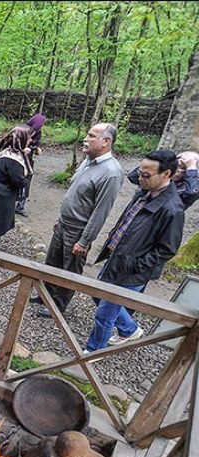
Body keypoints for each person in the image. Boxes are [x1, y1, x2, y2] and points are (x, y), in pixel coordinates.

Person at [85, 151, 184, 351]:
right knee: (98, 295)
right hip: (116, 259)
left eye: (146, 175)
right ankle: (129, 329)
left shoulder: (172, 210)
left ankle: (92, 353)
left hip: (131, 271)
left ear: (166, 174)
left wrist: (135, 265)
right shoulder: (144, 190)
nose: (140, 178)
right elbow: (134, 177)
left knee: (104, 314)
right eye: (140, 172)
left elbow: (167, 249)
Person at [31, 123, 124, 318]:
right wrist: (60, 218)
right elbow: (74, 193)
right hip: (64, 224)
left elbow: (101, 212)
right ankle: (45, 294)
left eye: (91, 135)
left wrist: (85, 240)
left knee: (70, 269)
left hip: (79, 230)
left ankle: (58, 306)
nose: (86, 138)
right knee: (52, 261)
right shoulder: (88, 161)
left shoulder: (111, 173)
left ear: (105, 142)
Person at [127, 150, 199, 210]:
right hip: (135, 211)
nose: (178, 170)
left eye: (184, 169)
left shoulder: (186, 188)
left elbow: (192, 193)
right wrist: (165, 160)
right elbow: (132, 177)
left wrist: (191, 168)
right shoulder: (161, 175)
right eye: (178, 165)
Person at [15, 113, 46, 217]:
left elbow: (37, 145)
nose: (42, 126)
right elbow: (13, 145)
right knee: (16, 180)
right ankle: (10, 204)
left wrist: (36, 149)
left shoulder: (38, 133)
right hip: (18, 160)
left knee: (27, 182)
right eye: (42, 124)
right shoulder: (22, 131)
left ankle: (20, 206)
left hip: (29, 161)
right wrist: (23, 149)